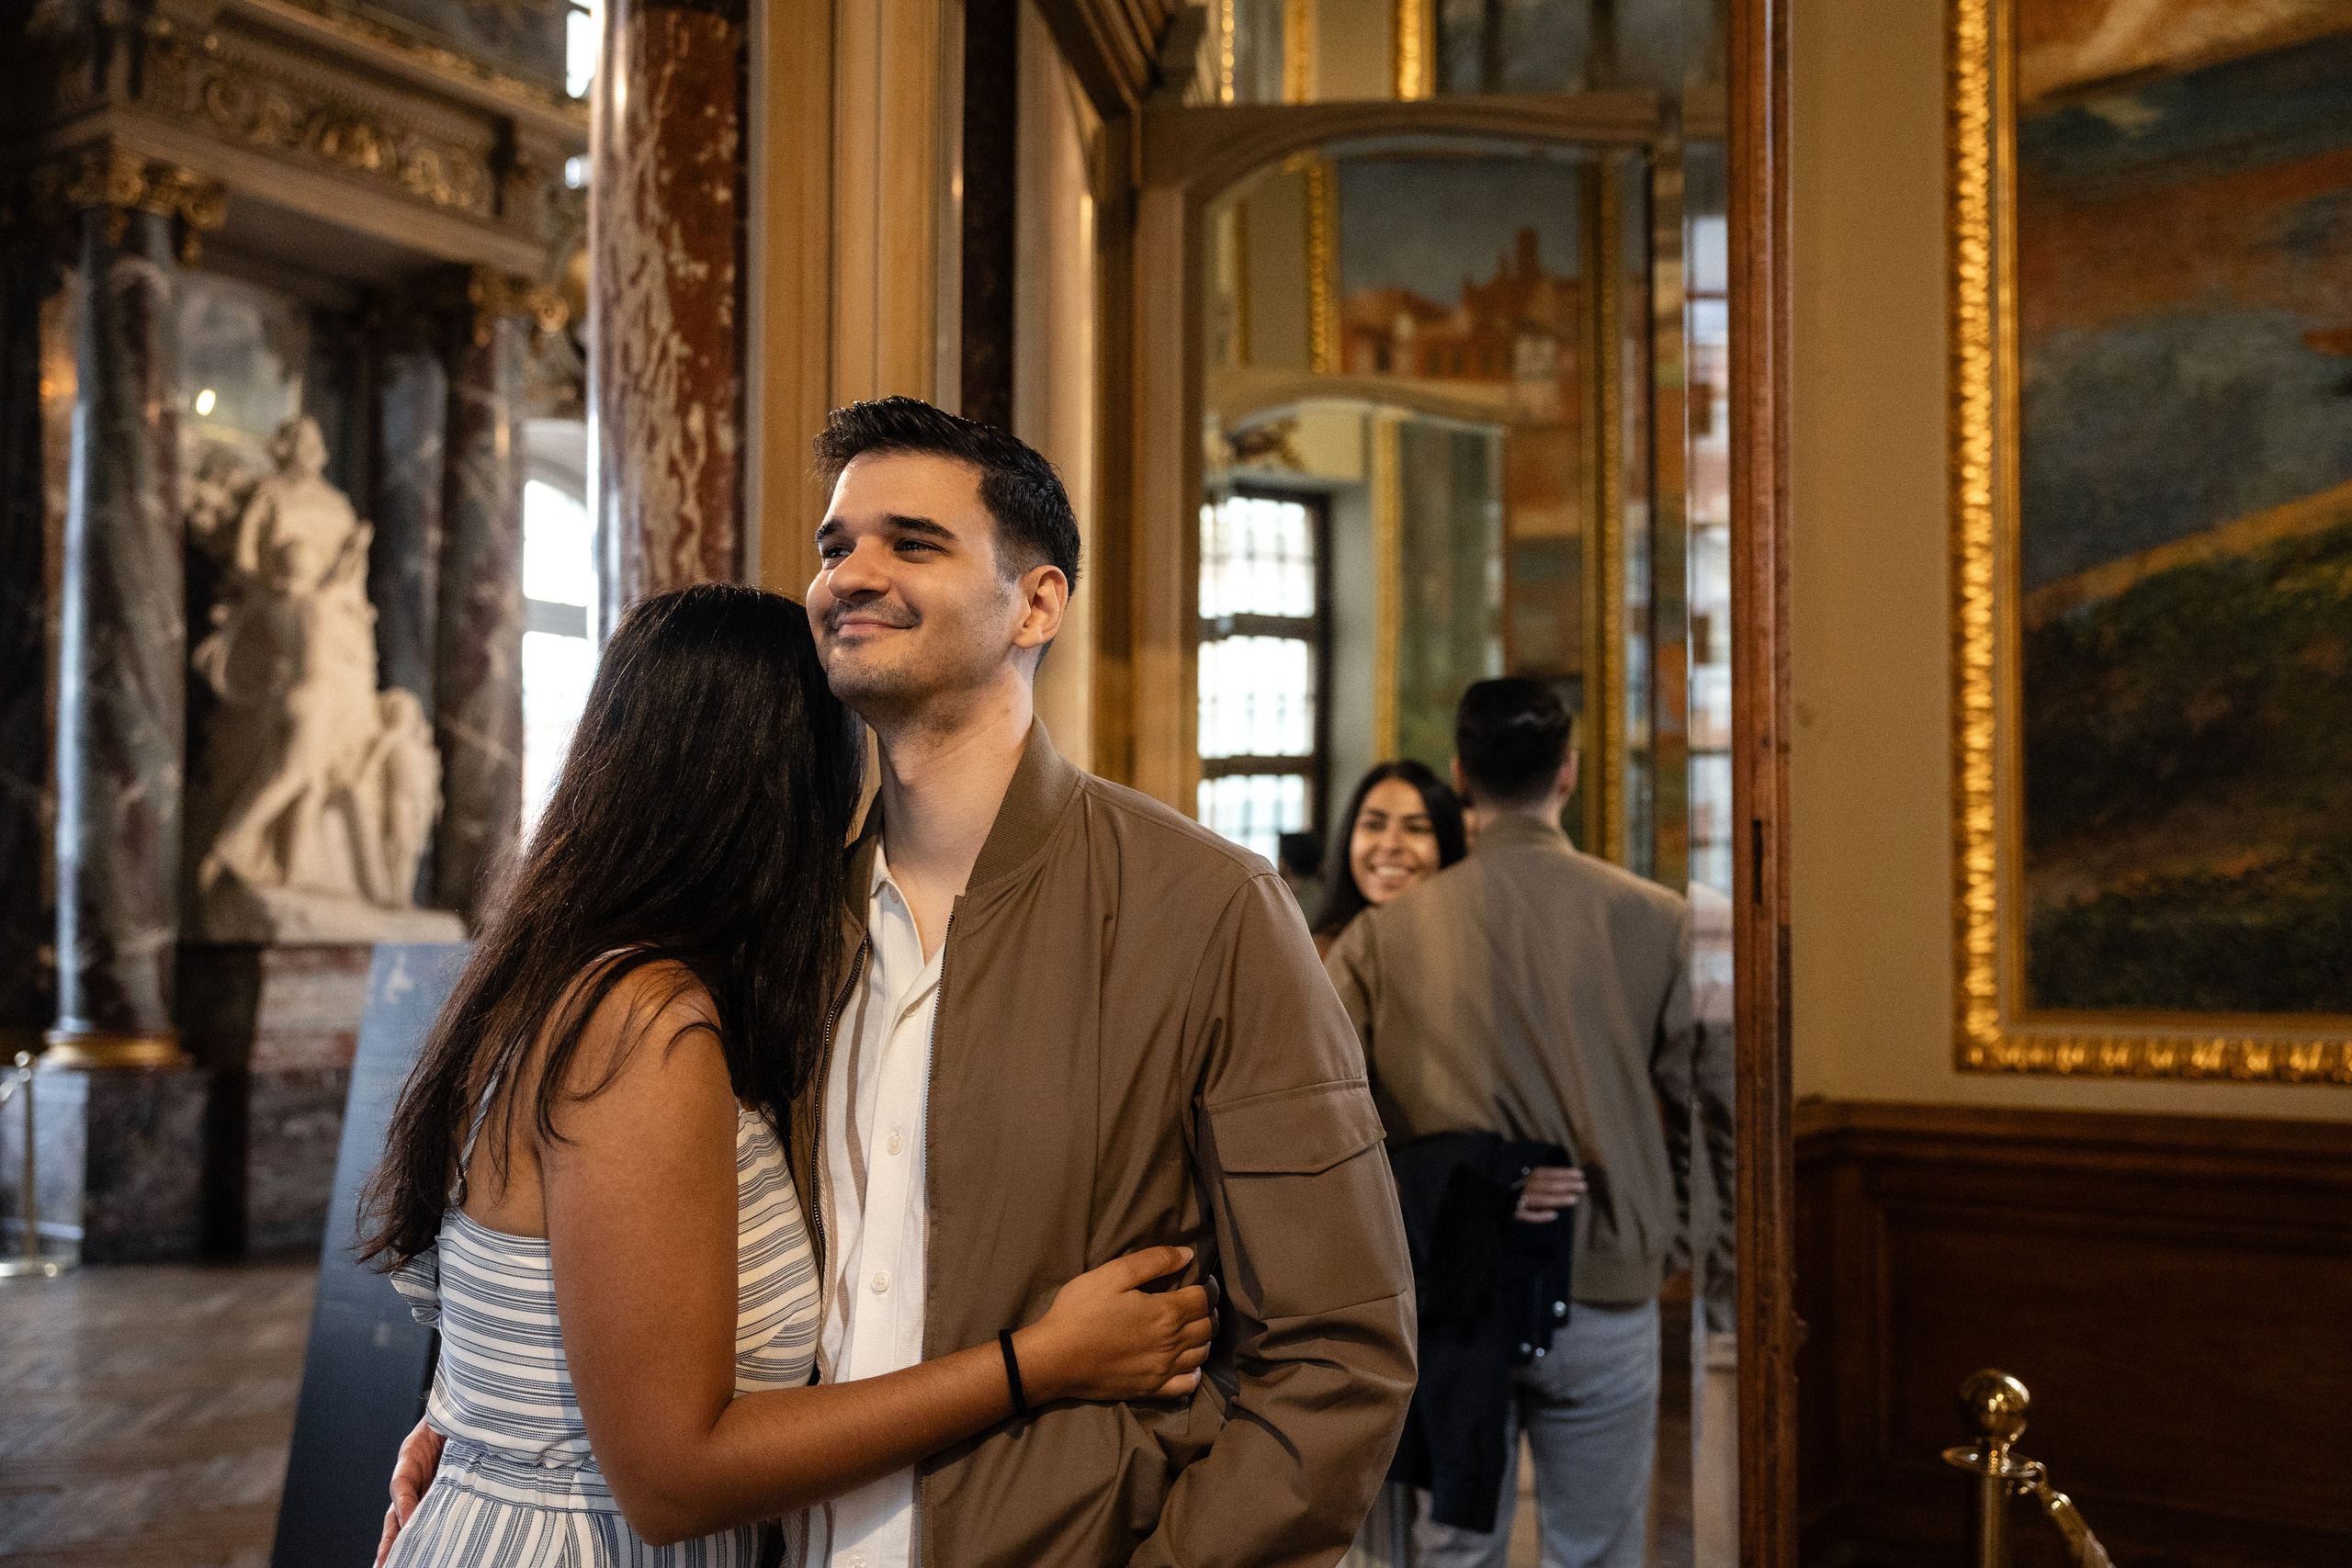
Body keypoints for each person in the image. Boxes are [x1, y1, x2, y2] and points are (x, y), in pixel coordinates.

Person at [390, 400, 1416, 1565]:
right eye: (836, 546)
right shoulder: (770, 937)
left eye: (912, 544)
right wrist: (475, 1417)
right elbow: (613, 1282)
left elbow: (1337, 1357)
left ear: (1036, 603)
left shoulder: (1209, 910)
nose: (852, 575)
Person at [360, 584, 1215, 1567]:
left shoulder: (562, 973)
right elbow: (674, 1478)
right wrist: (1040, 1361)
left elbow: (525, 1308)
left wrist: (467, 1422)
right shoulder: (642, 1022)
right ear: (779, 791)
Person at [1325, 677, 1733, 1568]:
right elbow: (1709, 1110)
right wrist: (1680, 1243)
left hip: (1451, 1287)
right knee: (1596, 1551)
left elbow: (1325, 1125)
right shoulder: (1658, 920)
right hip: (1606, 1276)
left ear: (1461, 775)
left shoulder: (1381, 941)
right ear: (1569, 773)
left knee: (1455, 1550)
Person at [1313, 760, 1469, 957]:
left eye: (1416, 829)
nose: (1390, 845)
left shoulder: (1472, 952)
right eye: (1373, 825)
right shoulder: (1313, 957)